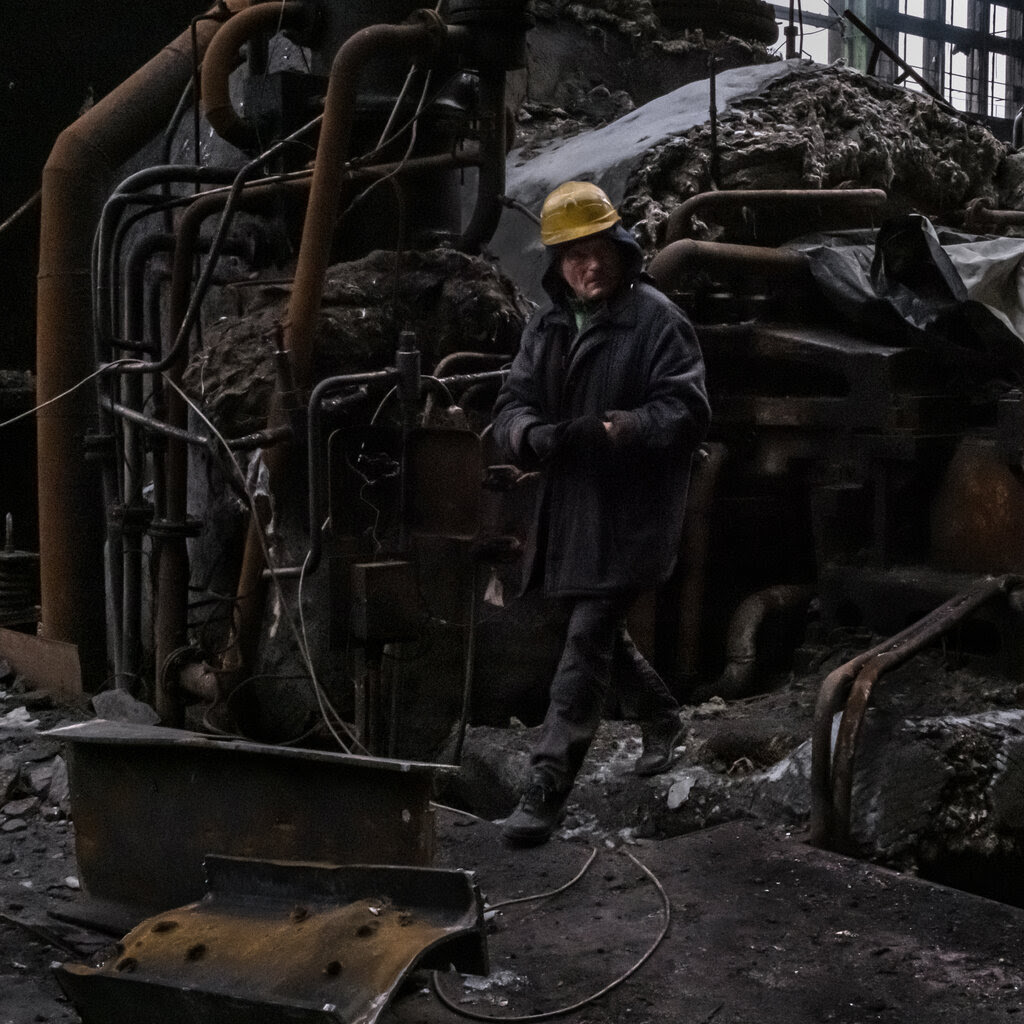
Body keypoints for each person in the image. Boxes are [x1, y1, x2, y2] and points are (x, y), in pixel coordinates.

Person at [491, 180, 711, 846]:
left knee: (585, 640)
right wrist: (531, 435)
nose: (587, 267)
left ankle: (544, 789)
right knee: (595, 630)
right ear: (556, 263)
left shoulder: (657, 320)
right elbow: (512, 403)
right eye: (571, 255)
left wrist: (625, 430)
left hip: (630, 511)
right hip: (568, 509)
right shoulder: (549, 322)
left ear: (620, 248)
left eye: (597, 252)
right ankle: (663, 718)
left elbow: (687, 410)